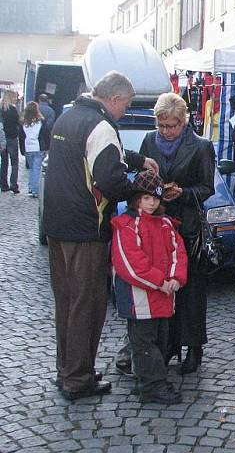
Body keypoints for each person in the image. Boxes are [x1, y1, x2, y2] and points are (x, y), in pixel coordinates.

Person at [43, 71, 157, 401]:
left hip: (58, 226)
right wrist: (141, 189)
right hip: (86, 229)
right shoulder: (101, 125)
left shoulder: (67, 118)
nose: (125, 111)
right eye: (127, 105)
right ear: (115, 99)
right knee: (87, 305)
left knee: (66, 304)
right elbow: (110, 178)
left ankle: (67, 370)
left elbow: (96, 158)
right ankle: (79, 379)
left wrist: (137, 159)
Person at [139, 92, 215, 374]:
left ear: (183, 122)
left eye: (171, 126)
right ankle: (169, 343)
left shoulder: (201, 147)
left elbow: (207, 188)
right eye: (161, 126)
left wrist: (182, 192)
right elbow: (143, 180)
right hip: (158, 224)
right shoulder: (149, 141)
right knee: (162, 286)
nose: (165, 131)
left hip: (188, 228)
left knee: (192, 289)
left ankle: (194, 346)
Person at [111, 170, 188, 404]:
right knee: (144, 343)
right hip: (140, 299)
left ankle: (150, 379)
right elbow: (131, 264)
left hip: (163, 297)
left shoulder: (165, 223)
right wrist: (160, 282)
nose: (152, 202)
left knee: (159, 341)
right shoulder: (127, 225)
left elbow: (178, 252)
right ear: (137, 200)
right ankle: (151, 385)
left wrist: (176, 278)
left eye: (155, 198)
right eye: (146, 198)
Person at [18, 101, 50, 197]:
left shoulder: (23, 122)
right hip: (39, 147)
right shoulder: (41, 121)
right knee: (36, 169)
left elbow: (21, 137)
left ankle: (31, 188)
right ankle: (35, 189)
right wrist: (48, 146)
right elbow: (46, 134)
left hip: (28, 148)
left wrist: (22, 150)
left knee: (32, 168)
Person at [1, 89, 20, 193]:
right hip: (12, 138)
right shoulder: (13, 110)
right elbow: (18, 122)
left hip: (3, 138)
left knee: (4, 162)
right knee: (14, 163)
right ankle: (14, 184)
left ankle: (3, 185)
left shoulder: (1, 110)